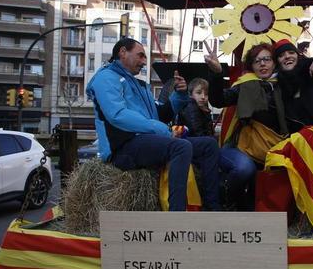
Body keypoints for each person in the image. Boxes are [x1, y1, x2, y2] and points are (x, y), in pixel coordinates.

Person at [86, 39, 220, 211]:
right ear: (122, 52)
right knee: (181, 147)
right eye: (140, 56)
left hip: (144, 142)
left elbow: (160, 114)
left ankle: (213, 209)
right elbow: (117, 115)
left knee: (209, 144)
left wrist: (179, 95)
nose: (144, 62)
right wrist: (161, 130)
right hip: (122, 147)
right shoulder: (106, 78)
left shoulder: (138, 84)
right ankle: (176, 216)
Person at [205, 42, 287, 210]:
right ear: (252, 66)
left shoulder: (285, 86)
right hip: (240, 148)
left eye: (266, 59)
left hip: (272, 149)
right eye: (257, 61)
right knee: (244, 169)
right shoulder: (244, 85)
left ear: (274, 62)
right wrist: (217, 74)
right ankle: (226, 201)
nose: (262, 64)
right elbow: (218, 100)